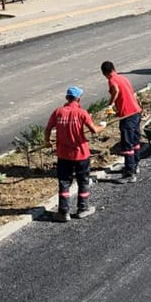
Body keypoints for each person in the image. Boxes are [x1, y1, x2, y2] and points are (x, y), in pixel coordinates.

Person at [44, 86, 103, 221]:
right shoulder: (82, 113)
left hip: (63, 154)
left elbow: (47, 129)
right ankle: (83, 209)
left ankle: (63, 212)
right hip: (81, 154)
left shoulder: (58, 112)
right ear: (78, 99)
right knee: (83, 181)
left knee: (64, 182)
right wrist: (102, 126)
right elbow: (94, 130)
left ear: (66, 98)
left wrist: (47, 142)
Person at [101, 61, 143, 184]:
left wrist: (110, 105)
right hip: (136, 111)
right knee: (135, 141)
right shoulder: (123, 78)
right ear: (114, 68)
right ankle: (135, 164)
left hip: (128, 115)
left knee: (127, 144)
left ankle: (130, 173)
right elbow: (130, 95)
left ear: (104, 73)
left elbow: (116, 90)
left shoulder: (112, 80)